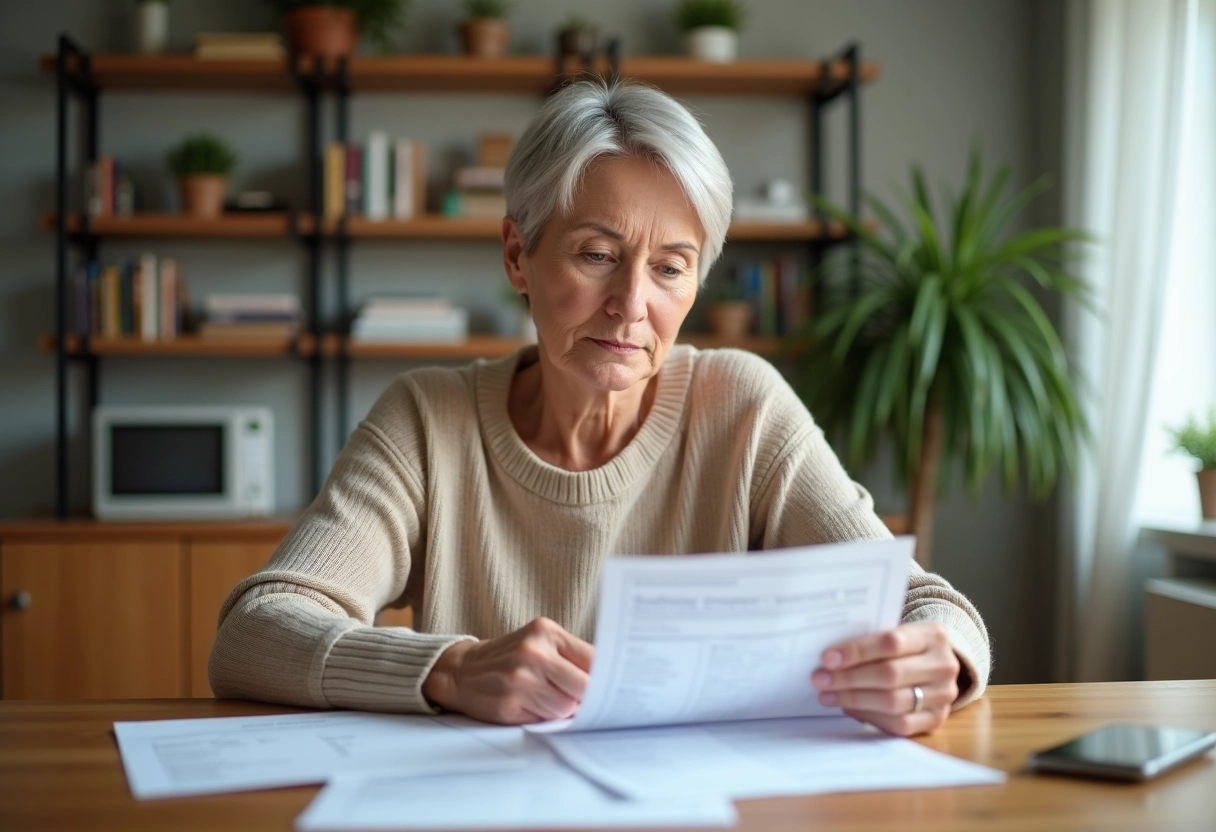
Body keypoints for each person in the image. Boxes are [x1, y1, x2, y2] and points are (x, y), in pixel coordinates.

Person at [210, 78, 989, 738]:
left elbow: (928, 603)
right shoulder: (427, 420)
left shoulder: (743, 408)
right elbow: (255, 629)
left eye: (671, 268)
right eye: (597, 255)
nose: (631, 304)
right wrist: (450, 669)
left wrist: (938, 660)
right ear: (518, 255)